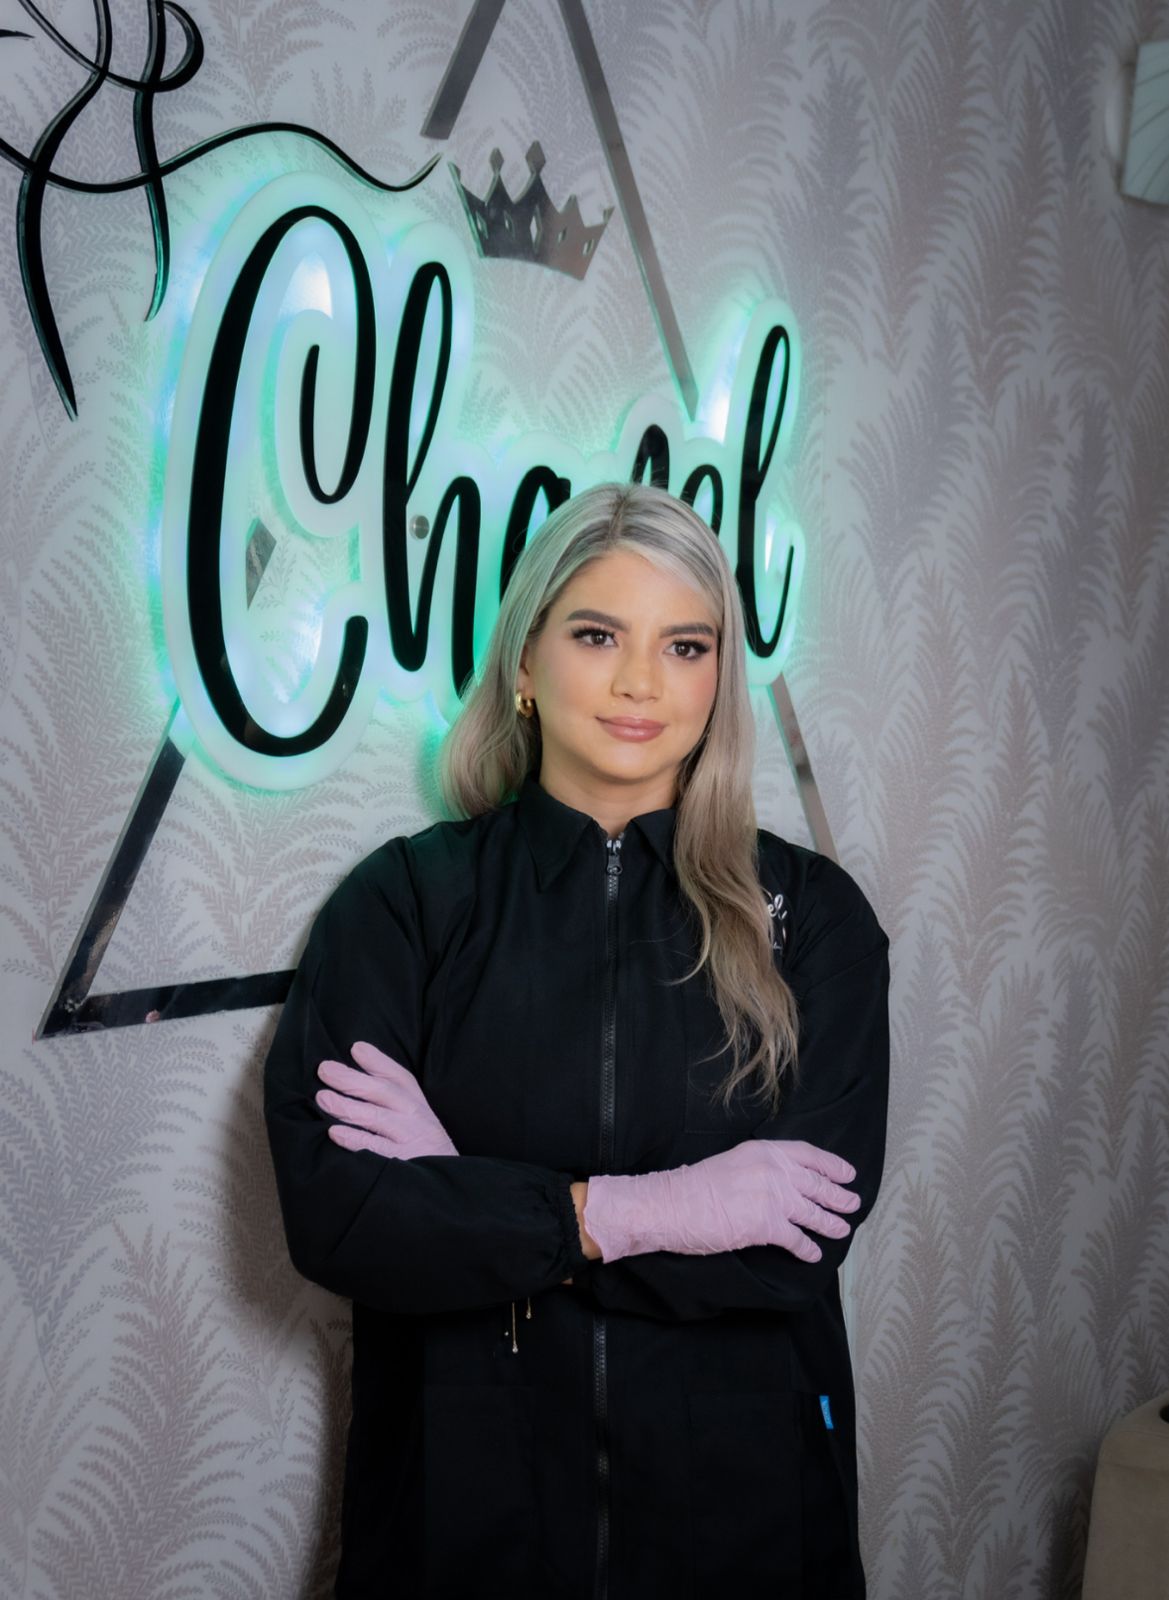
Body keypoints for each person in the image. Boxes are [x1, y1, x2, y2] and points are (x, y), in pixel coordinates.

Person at [263, 480, 890, 1598]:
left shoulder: (812, 919)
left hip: (742, 1518)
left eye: (685, 646)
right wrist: (652, 1210)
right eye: (597, 634)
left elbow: (795, 1242)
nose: (641, 681)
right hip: (462, 1514)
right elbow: (344, 1219)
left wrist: (465, 1196)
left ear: (717, 680)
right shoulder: (405, 903)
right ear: (524, 658)